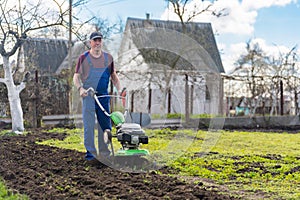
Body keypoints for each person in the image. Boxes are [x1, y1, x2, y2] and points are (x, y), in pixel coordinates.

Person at [73, 31, 121, 163]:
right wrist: (80, 88)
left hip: (103, 95)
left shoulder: (108, 58)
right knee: (89, 125)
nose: (97, 43)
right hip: (89, 95)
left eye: (99, 40)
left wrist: (121, 90)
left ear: (102, 42)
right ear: (90, 43)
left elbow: (114, 77)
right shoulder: (84, 58)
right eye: (95, 40)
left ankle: (105, 153)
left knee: (105, 124)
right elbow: (76, 77)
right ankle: (91, 155)